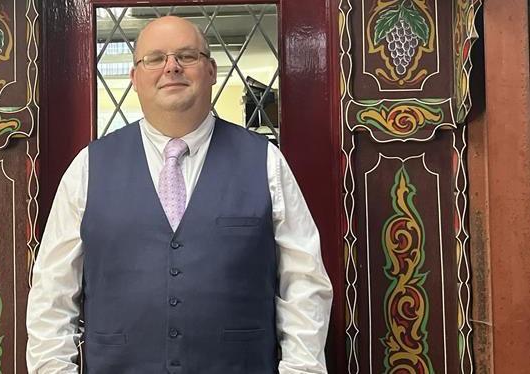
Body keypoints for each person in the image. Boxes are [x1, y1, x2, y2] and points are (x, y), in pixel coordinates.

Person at [26, 15, 333, 374]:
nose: (171, 68)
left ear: (212, 70)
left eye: (186, 56)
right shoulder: (88, 167)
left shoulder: (265, 162)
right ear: (134, 78)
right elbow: (52, 295)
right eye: (154, 59)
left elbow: (305, 283)